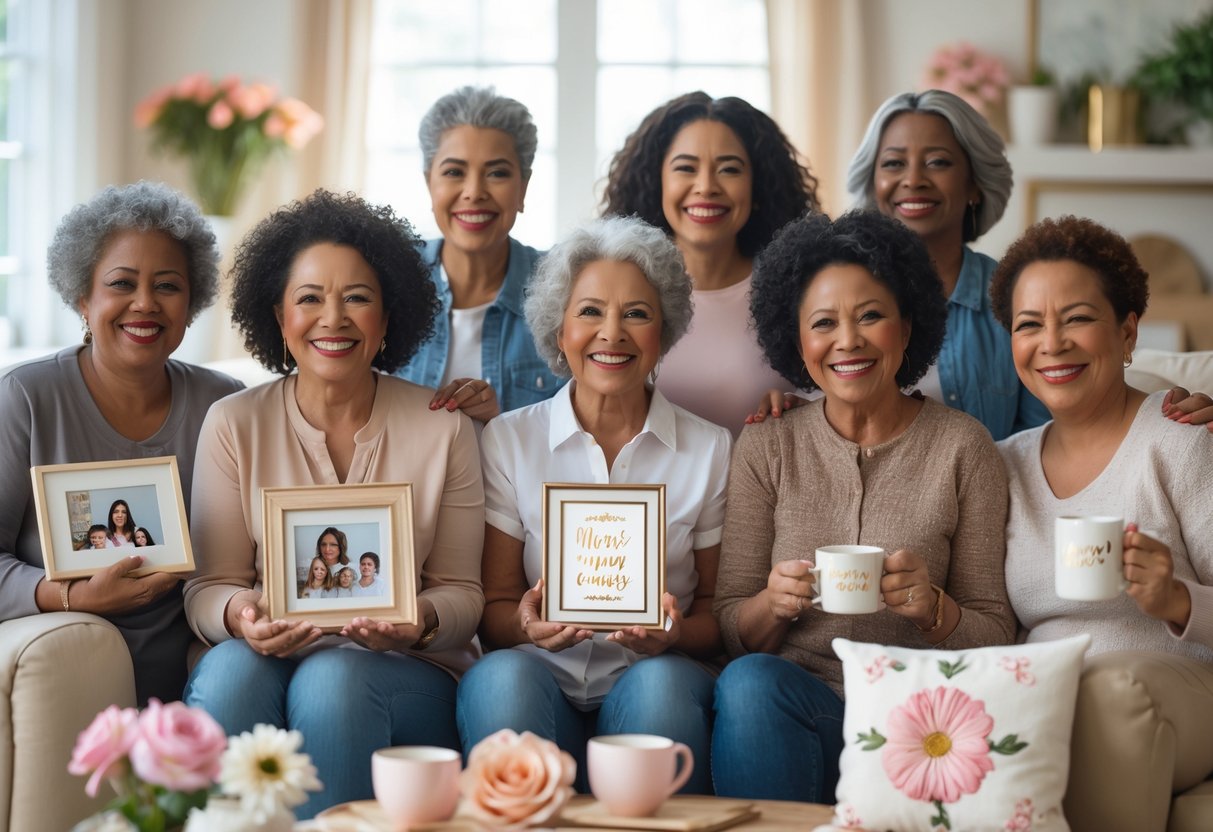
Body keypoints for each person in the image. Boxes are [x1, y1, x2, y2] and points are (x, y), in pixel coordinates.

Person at [183, 189, 484, 818]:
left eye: (357, 298)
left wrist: (419, 621)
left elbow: (464, 594)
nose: (333, 318)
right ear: (279, 315)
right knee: (233, 672)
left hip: (408, 673)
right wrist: (242, 613)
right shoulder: (232, 423)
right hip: (267, 658)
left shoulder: (443, 427)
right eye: (310, 298)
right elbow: (210, 586)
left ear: (388, 315)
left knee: (334, 677)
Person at [711, 211, 1015, 804]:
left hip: (919, 715)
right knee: (746, 682)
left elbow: (996, 631)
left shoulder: (964, 447)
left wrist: (934, 611)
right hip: (800, 702)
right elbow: (728, 622)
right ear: (798, 342)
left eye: (870, 316)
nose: (847, 340)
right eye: (824, 323)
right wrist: (771, 607)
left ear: (907, 328)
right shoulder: (768, 443)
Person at [457, 216, 732, 793]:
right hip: (540, 678)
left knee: (659, 685)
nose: (613, 333)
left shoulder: (710, 448)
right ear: (559, 332)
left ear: (665, 332)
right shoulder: (509, 439)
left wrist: (674, 635)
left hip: (652, 676)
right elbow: (498, 607)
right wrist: (529, 627)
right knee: (501, 677)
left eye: (636, 313)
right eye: (589, 312)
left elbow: (716, 614)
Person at [991, 216, 1213, 832]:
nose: (1052, 343)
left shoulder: (1182, 443)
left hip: (1178, 694)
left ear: (1127, 330)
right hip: (1043, 703)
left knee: (1107, 694)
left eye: (1077, 318)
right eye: (1028, 324)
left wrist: (1175, 600)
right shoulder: (1003, 465)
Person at [0, 181, 243, 704]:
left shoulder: (224, 403)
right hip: (65, 666)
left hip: (209, 672)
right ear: (83, 299)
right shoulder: (25, 397)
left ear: (192, 300)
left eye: (168, 286)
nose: (145, 304)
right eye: (121, 283)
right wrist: (67, 595)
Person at [602, 91, 819, 435]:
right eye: (686, 168)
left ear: (757, 185)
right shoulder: (614, 287)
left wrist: (806, 409)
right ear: (656, 180)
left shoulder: (800, 292)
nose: (706, 187)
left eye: (729, 169)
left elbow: (836, 404)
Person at [396, 86, 564, 421]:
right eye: (454, 172)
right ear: (430, 183)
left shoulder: (564, 291)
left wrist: (503, 425)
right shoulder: (389, 282)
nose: (474, 193)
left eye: (497, 173)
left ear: (523, 187)